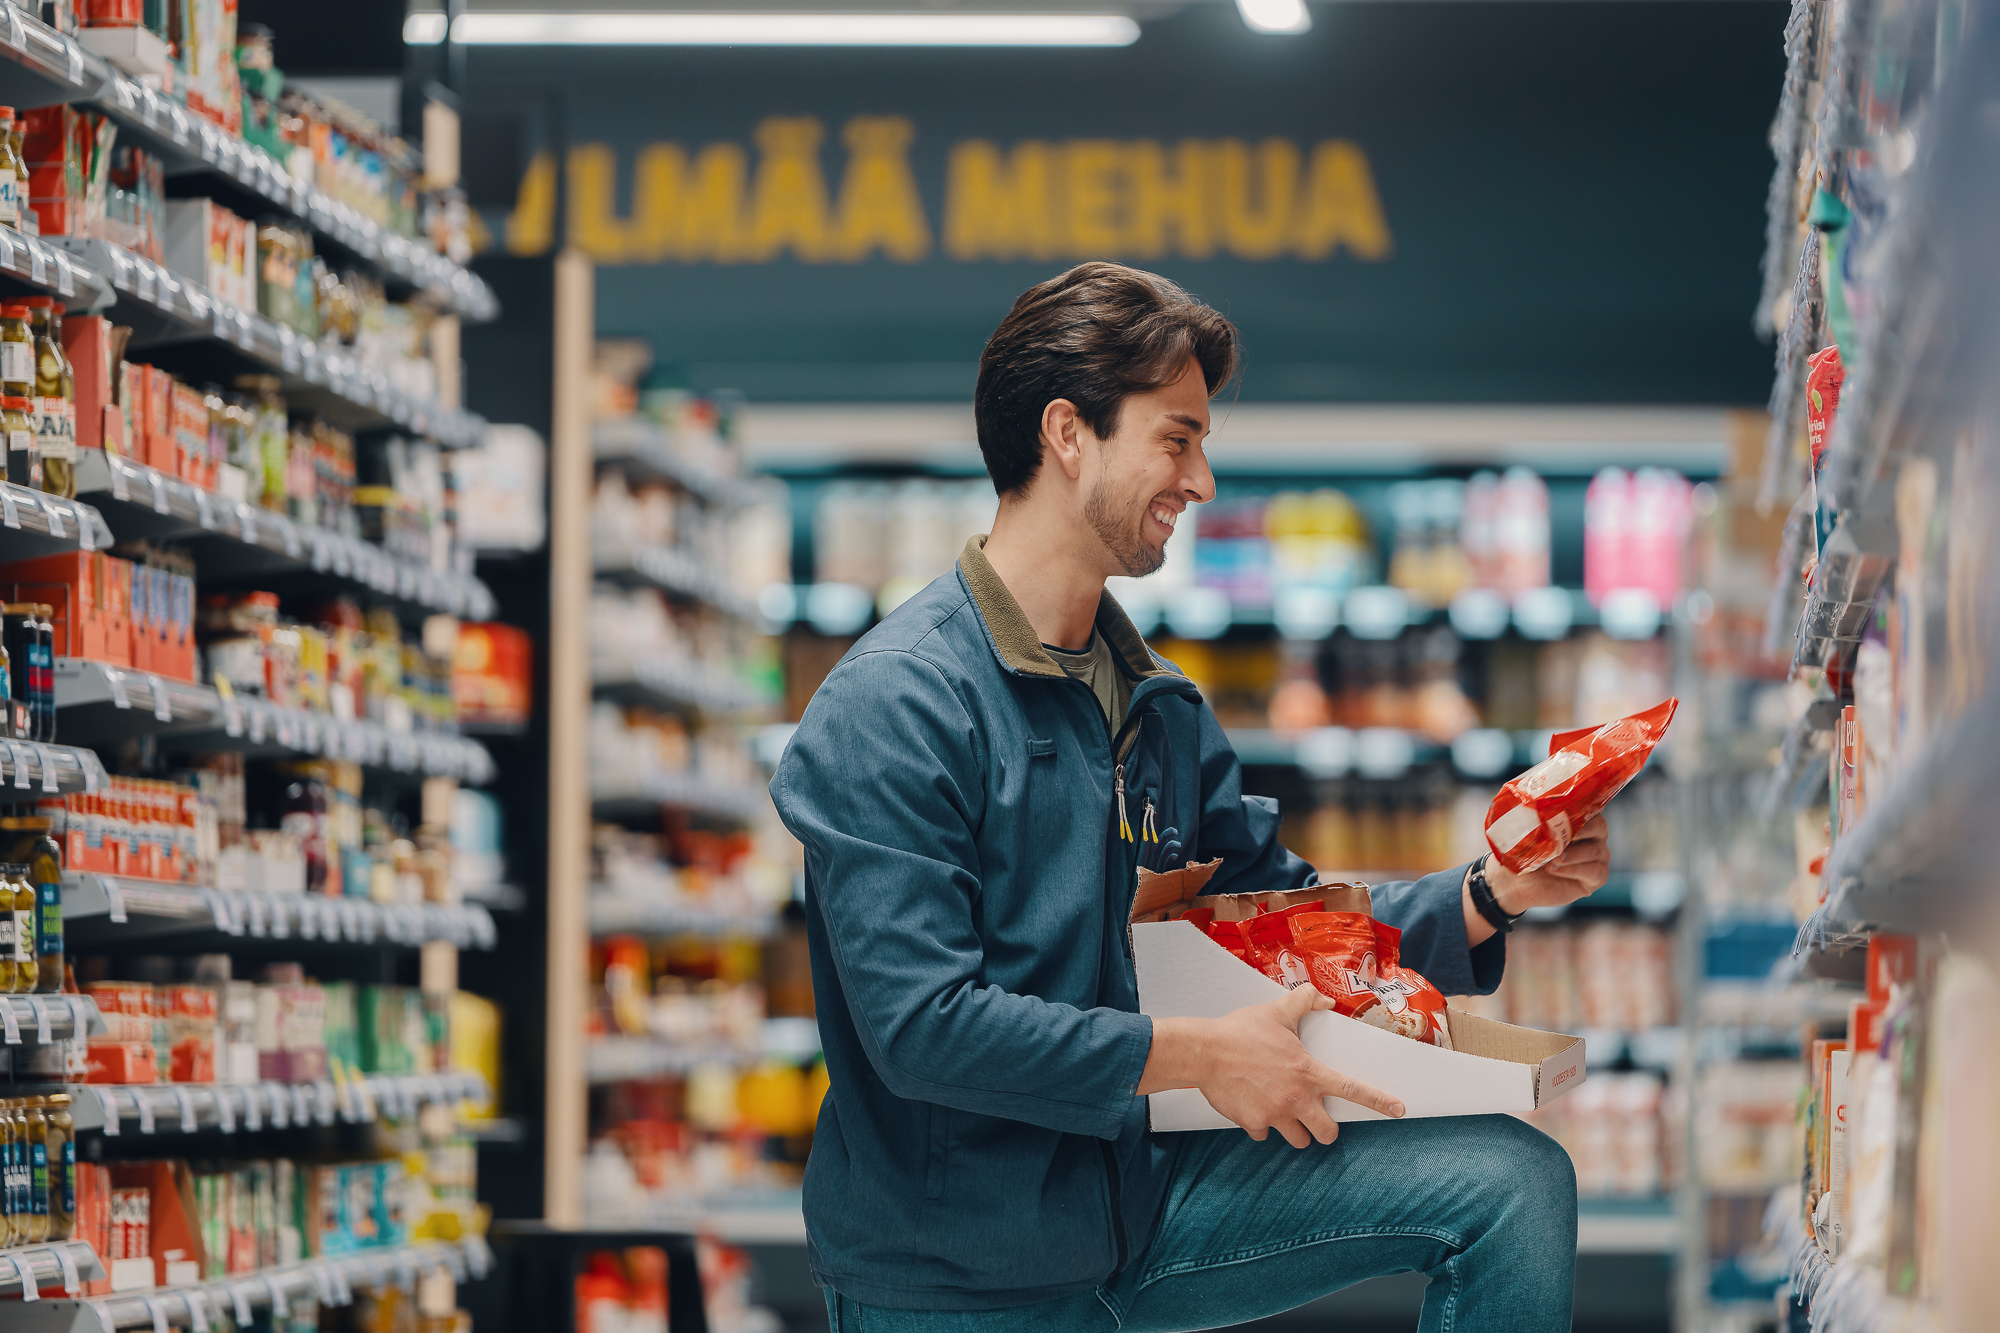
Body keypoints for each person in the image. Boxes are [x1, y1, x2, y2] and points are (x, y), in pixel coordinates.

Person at [772, 262, 1612, 1333]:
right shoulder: (899, 702)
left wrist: (1489, 895)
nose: (1201, 480)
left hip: (1140, 1201)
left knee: (1513, 1182)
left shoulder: (1156, 707)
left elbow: (1291, 928)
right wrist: (1198, 1055)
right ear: (1067, 434)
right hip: (956, 1266)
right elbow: (921, 1025)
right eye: (1176, 439)